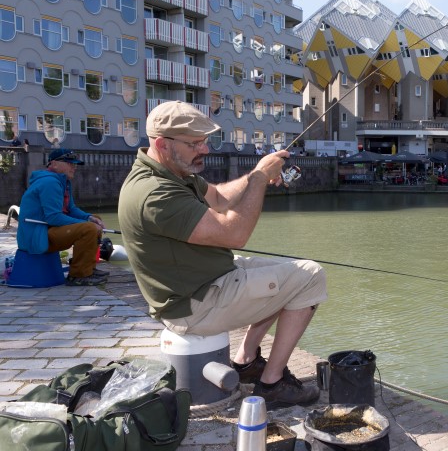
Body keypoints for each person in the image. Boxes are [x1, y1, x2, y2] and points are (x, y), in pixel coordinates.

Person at [118, 101, 327, 409]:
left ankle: (245, 362)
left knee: (289, 275)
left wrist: (258, 171)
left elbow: (217, 198)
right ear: (162, 143)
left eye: (205, 141)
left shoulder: (173, 170)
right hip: (194, 306)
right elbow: (235, 234)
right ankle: (271, 384)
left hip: (206, 280)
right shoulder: (155, 193)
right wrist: (258, 181)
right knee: (311, 277)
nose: (204, 149)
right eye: (194, 144)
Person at [17, 149, 108, 286]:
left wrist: (88, 217)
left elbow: (71, 209)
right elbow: (54, 218)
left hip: (48, 230)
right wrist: (88, 224)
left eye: (75, 163)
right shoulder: (50, 183)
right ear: (53, 164)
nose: (74, 166)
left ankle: (88, 268)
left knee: (94, 219)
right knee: (88, 229)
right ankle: (78, 276)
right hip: (37, 236)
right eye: (69, 162)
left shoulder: (62, 181)